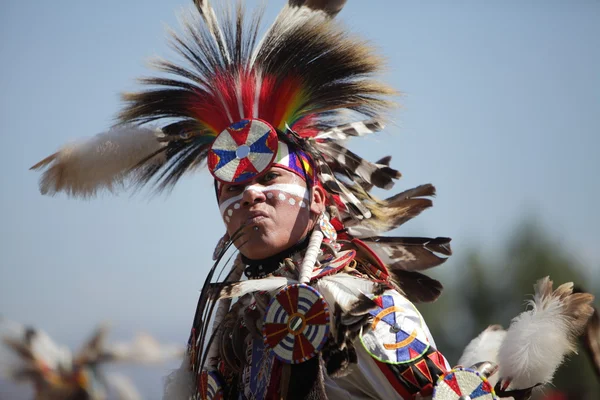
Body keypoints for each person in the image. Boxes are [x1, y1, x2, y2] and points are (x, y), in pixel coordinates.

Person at [31, 1, 594, 399]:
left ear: (318, 195)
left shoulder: (363, 309)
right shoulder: (224, 319)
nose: (249, 195)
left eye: (268, 178)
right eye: (230, 188)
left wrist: (501, 373)